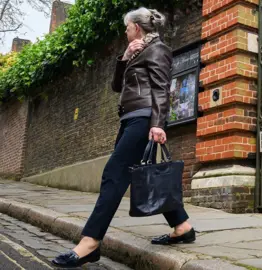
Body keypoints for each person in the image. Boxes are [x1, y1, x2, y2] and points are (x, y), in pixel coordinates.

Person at [52, 7, 195, 268]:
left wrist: (158, 124)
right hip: (131, 119)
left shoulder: (158, 50)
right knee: (150, 173)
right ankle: (182, 226)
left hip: (143, 120)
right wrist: (124, 58)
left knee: (113, 175)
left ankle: (90, 242)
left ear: (137, 28)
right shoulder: (137, 52)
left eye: (127, 28)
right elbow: (117, 87)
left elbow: (163, 89)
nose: (125, 31)